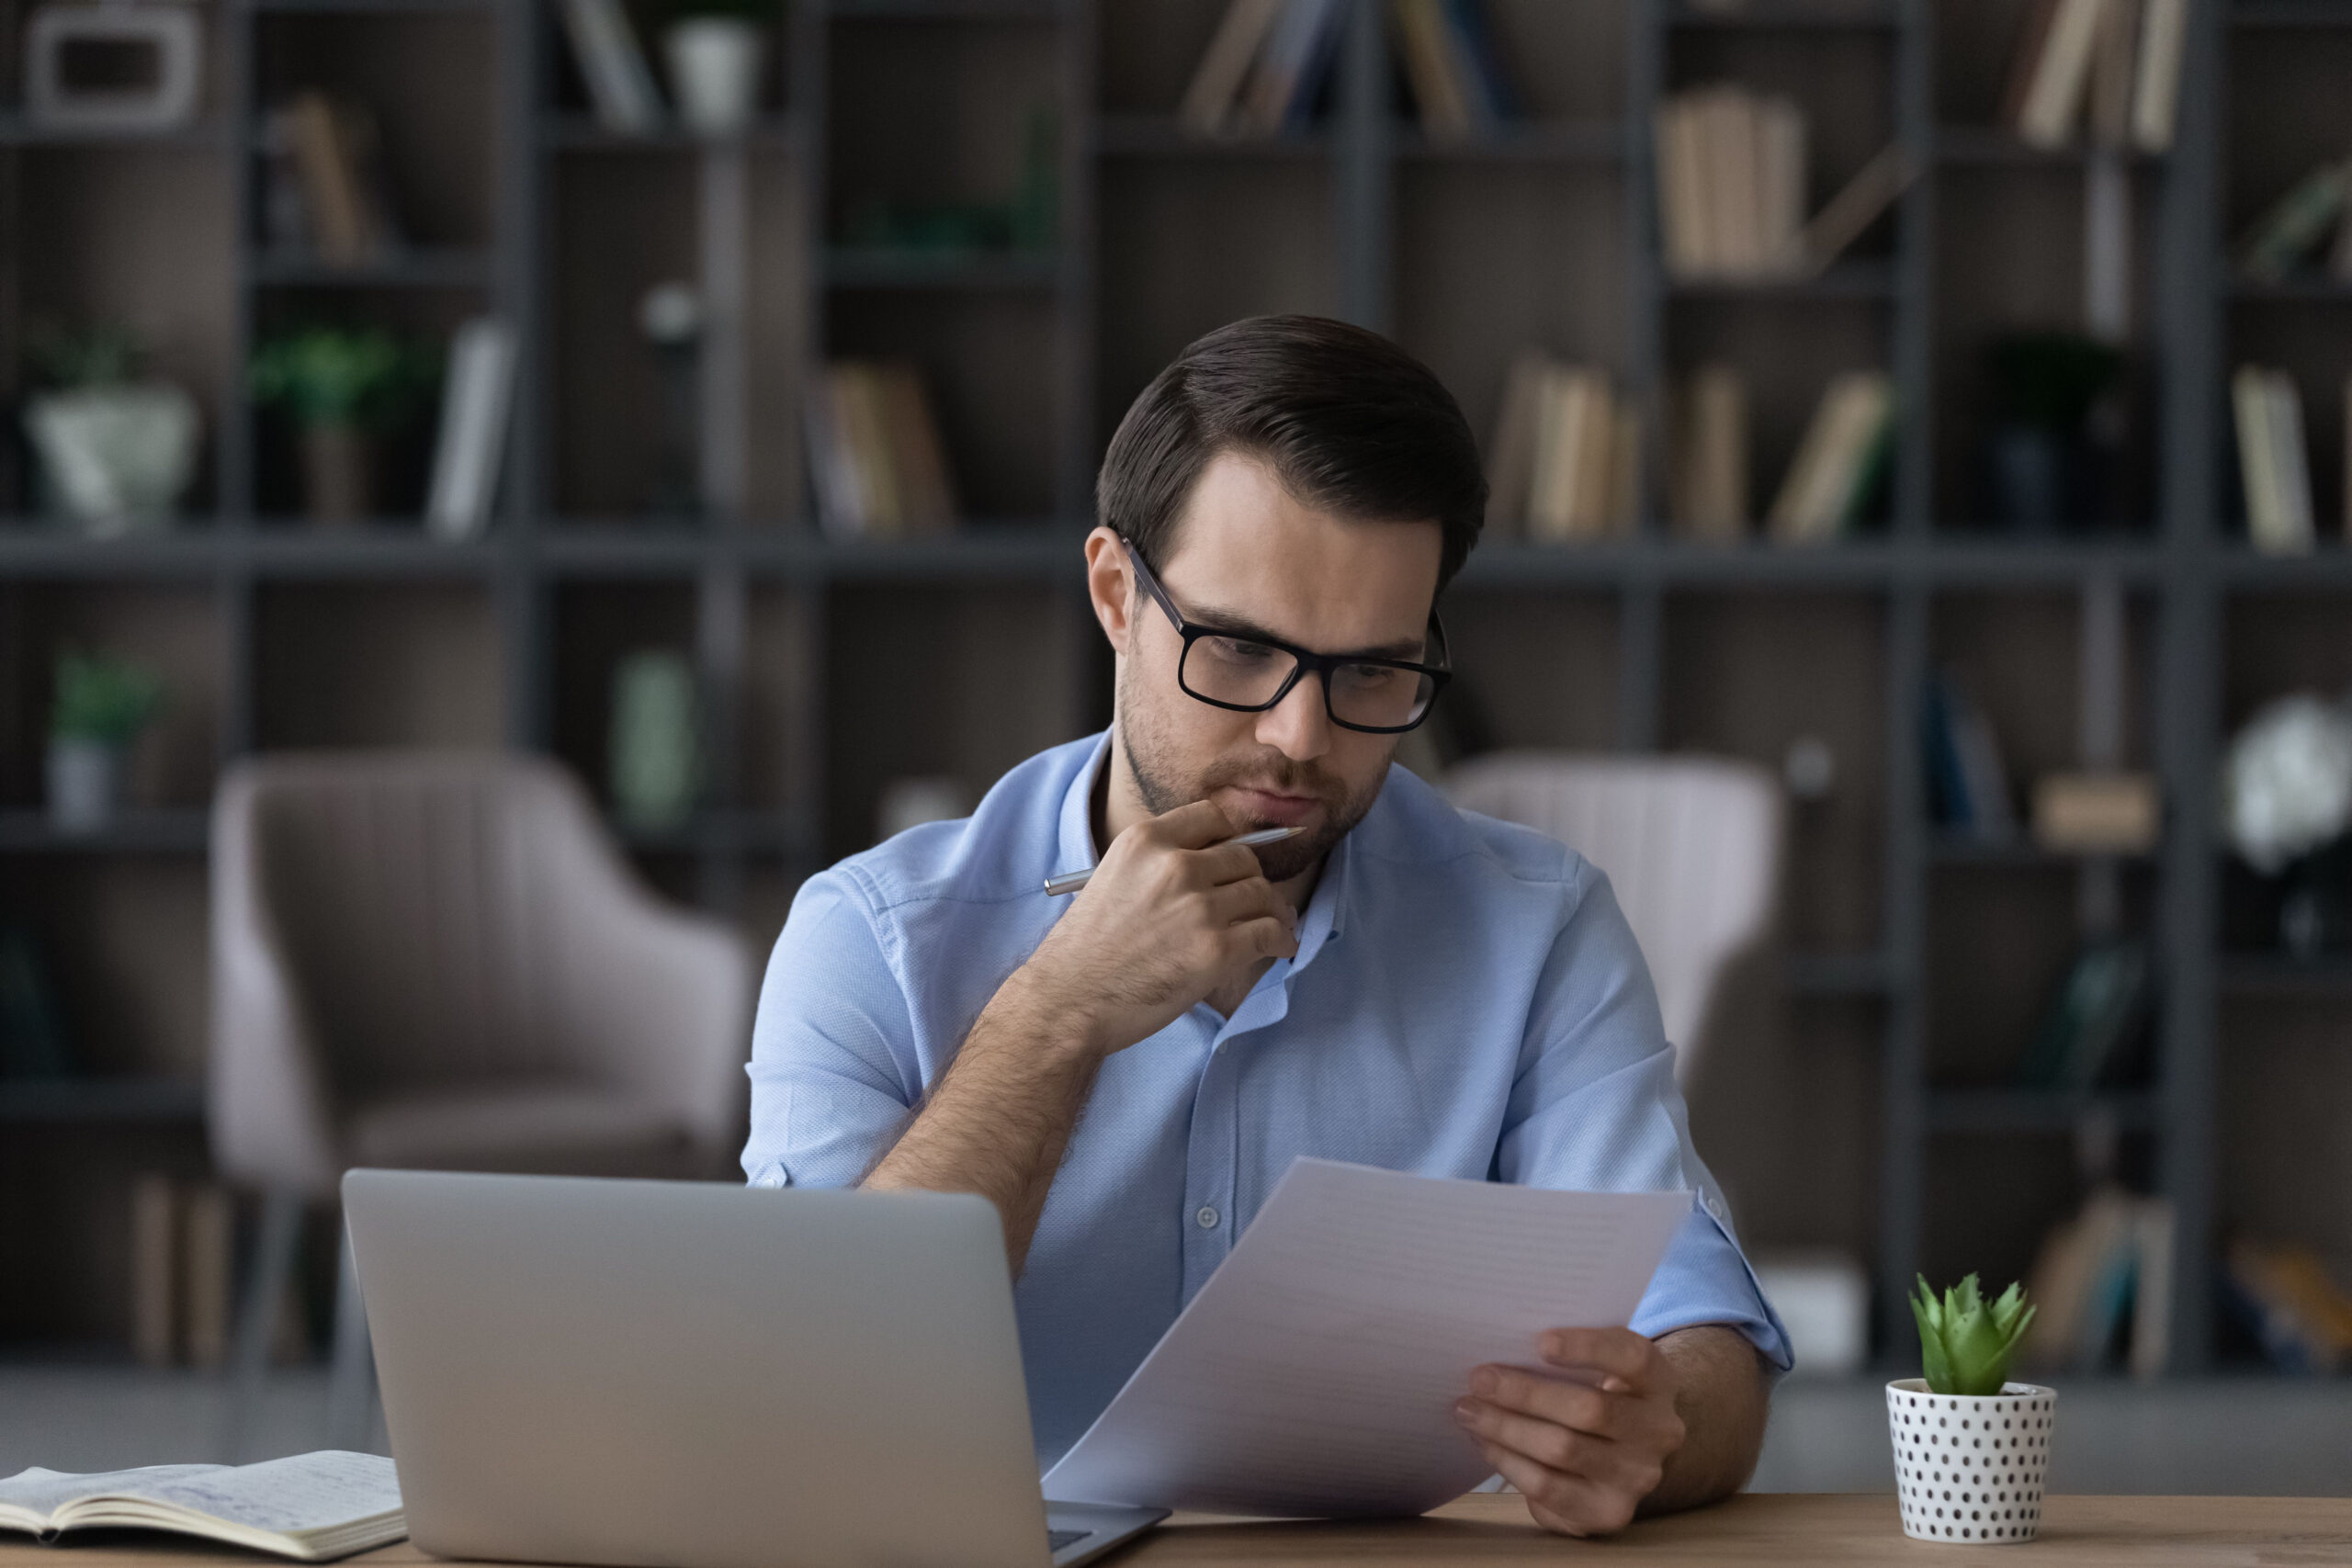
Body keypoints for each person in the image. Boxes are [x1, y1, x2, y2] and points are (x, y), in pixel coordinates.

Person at [742, 315, 1791, 1538]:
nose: (1302, 737)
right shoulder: (869, 937)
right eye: (1239, 650)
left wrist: (1647, 1431)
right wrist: (1058, 1014)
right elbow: (807, 1394)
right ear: (1117, 595)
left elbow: (1704, 1342)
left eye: (1372, 673)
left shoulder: (1538, 930)